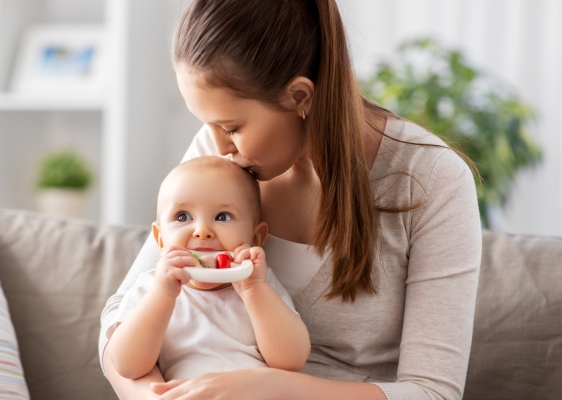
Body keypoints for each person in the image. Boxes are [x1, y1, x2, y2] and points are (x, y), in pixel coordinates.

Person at [99, 0, 482, 399]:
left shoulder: (432, 178)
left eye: (231, 126)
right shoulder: (219, 162)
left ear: (299, 96)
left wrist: (270, 389)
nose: (217, 146)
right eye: (207, 124)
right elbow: (118, 321)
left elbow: (434, 393)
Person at [106, 156, 310, 382]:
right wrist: (162, 294)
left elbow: (291, 361)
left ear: (255, 238)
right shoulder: (149, 288)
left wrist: (254, 289)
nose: (202, 231)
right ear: (160, 240)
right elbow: (127, 366)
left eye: (223, 216)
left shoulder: (260, 283)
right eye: (182, 217)